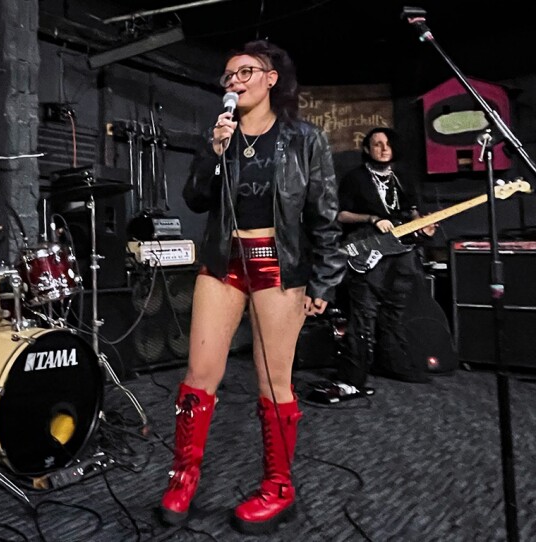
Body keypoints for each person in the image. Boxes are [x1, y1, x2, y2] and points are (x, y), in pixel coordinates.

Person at [158, 40, 345, 534]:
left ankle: (279, 488)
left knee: (272, 380)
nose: (234, 81)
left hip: (278, 265)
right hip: (224, 260)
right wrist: (213, 154)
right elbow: (197, 199)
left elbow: (325, 216)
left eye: (245, 72)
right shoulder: (220, 134)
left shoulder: (306, 139)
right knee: (199, 373)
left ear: (270, 79)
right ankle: (183, 477)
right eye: (228, 75)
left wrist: (325, 278)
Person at [330, 127, 436, 395]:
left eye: (387, 143)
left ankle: (393, 364)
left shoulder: (403, 177)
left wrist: (423, 227)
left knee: (395, 312)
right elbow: (340, 215)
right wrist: (372, 219)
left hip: (401, 255)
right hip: (369, 251)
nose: (383, 148)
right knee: (363, 314)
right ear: (367, 149)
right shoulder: (355, 178)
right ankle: (353, 377)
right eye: (377, 144)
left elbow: (414, 213)